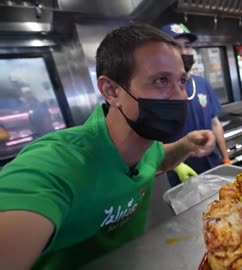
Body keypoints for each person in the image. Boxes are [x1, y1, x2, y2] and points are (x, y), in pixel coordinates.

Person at [0, 24, 216, 269]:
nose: (179, 97)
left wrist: (186, 145)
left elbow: (158, 160)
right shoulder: (54, 166)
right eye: (161, 81)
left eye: (181, 81)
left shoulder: (146, 145)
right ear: (112, 91)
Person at [160, 23, 230, 186]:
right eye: (176, 47)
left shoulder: (202, 84)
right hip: (181, 175)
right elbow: (151, 139)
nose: (184, 52)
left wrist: (226, 158)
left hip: (213, 167)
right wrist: (176, 165)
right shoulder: (159, 92)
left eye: (188, 46)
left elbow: (215, 123)